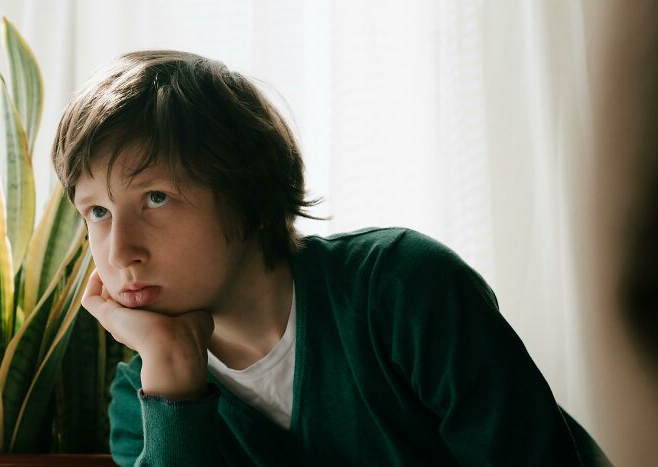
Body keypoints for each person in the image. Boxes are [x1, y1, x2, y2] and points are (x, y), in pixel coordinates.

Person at [51, 50, 611, 466]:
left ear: (250, 196)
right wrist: (174, 376)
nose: (119, 251)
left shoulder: (402, 288)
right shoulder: (145, 400)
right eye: (97, 211)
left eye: (156, 198)